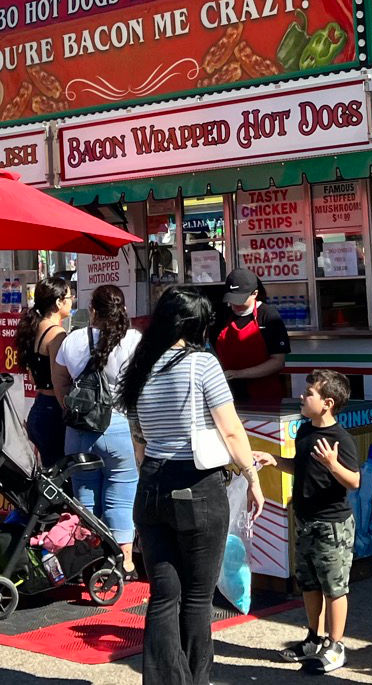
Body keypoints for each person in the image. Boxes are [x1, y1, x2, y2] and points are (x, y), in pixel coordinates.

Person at [121, 287, 266, 685]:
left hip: (151, 484)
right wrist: (252, 476)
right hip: (197, 486)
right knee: (199, 598)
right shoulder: (202, 364)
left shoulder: (140, 367)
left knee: (164, 596)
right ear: (195, 324)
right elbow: (232, 431)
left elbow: (139, 439)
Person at [252, 368, 361, 672]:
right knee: (309, 583)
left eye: (309, 392)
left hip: (332, 525)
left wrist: (333, 464)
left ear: (327, 403)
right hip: (306, 520)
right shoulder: (304, 431)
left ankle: (336, 645)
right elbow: (300, 469)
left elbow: (354, 481)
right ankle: (314, 637)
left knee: (335, 587)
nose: (302, 395)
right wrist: (276, 461)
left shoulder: (340, 439)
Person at [51, 284, 141, 575]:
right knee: (121, 494)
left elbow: (61, 383)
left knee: (84, 498)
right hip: (119, 428)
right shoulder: (133, 341)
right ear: (122, 310)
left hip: (79, 430)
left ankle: (87, 561)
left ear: (92, 311)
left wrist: (74, 410)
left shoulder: (74, 340)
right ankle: (123, 562)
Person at [210, 267, 291, 409]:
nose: (235, 304)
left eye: (240, 299)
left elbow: (278, 362)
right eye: (232, 299)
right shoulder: (222, 315)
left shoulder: (268, 316)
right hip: (227, 394)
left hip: (264, 396)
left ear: (255, 294)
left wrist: (238, 374)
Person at [14, 277, 73, 468]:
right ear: (58, 302)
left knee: (49, 475)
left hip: (39, 408)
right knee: (60, 479)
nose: (73, 301)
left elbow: (34, 374)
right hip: (53, 411)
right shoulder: (57, 334)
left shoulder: (35, 328)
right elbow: (59, 380)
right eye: (70, 297)